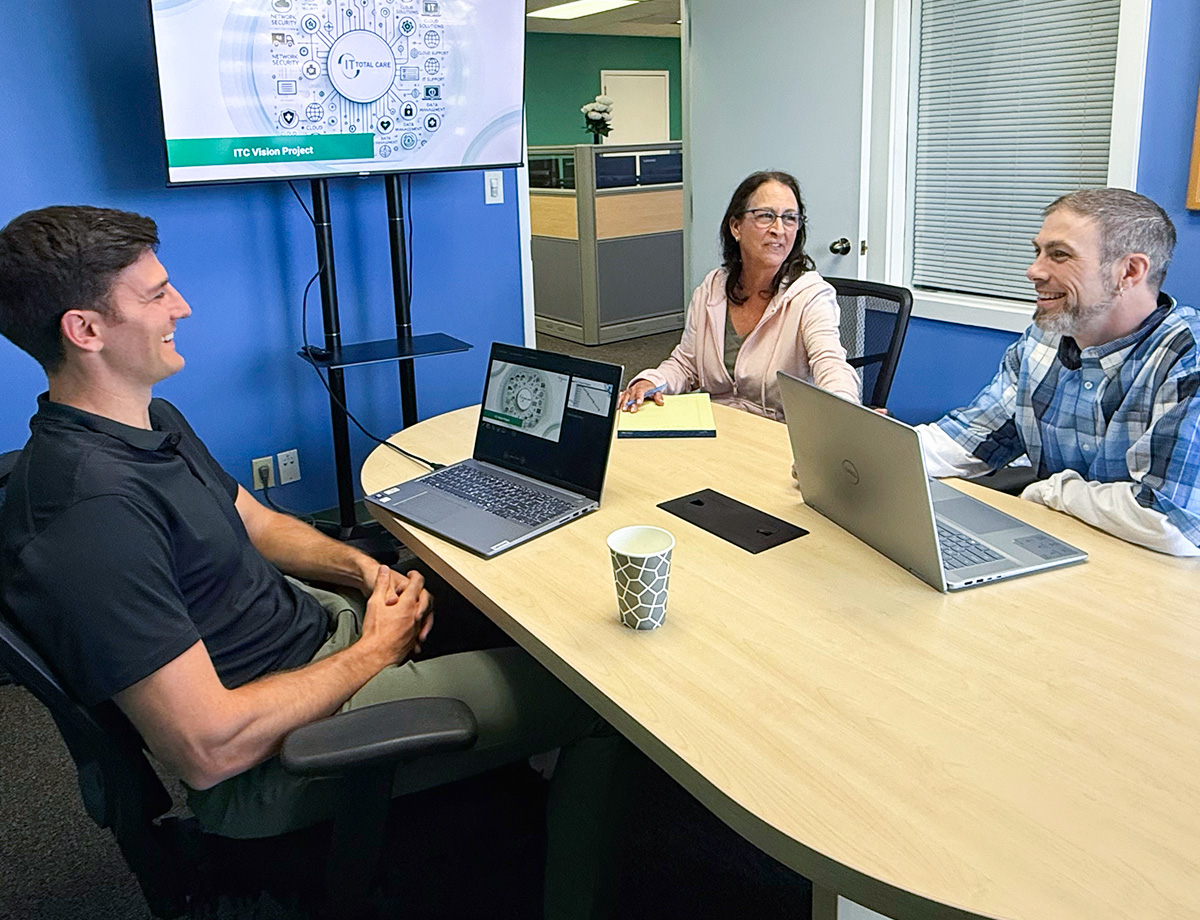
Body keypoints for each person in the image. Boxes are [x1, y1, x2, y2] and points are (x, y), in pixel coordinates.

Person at [0, 205, 626, 920]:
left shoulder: (149, 423)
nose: (183, 305)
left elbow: (257, 522)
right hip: (282, 752)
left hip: (319, 638)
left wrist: (364, 575)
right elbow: (210, 746)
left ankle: (485, 806)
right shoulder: (89, 515)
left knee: (502, 610)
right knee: (602, 700)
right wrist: (374, 649)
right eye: (155, 295)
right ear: (85, 330)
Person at [917, 188, 1200, 557]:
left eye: (1059, 255)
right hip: (1066, 548)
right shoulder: (1043, 339)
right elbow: (971, 439)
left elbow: (1168, 520)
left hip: (1160, 581)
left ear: (1129, 271)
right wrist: (871, 448)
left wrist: (1051, 491)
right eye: (1038, 251)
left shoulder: (1187, 358)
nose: (1034, 270)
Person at [619, 170, 859, 419]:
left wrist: (845, 412)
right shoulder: (712, 288)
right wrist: (650, 381)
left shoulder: (810, 295)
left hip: (775, 434)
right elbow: (686, 364)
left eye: (789, 218)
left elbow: (830, 362)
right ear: (736, 226)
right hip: (716, 428)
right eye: (766, 216)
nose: (779, 229)